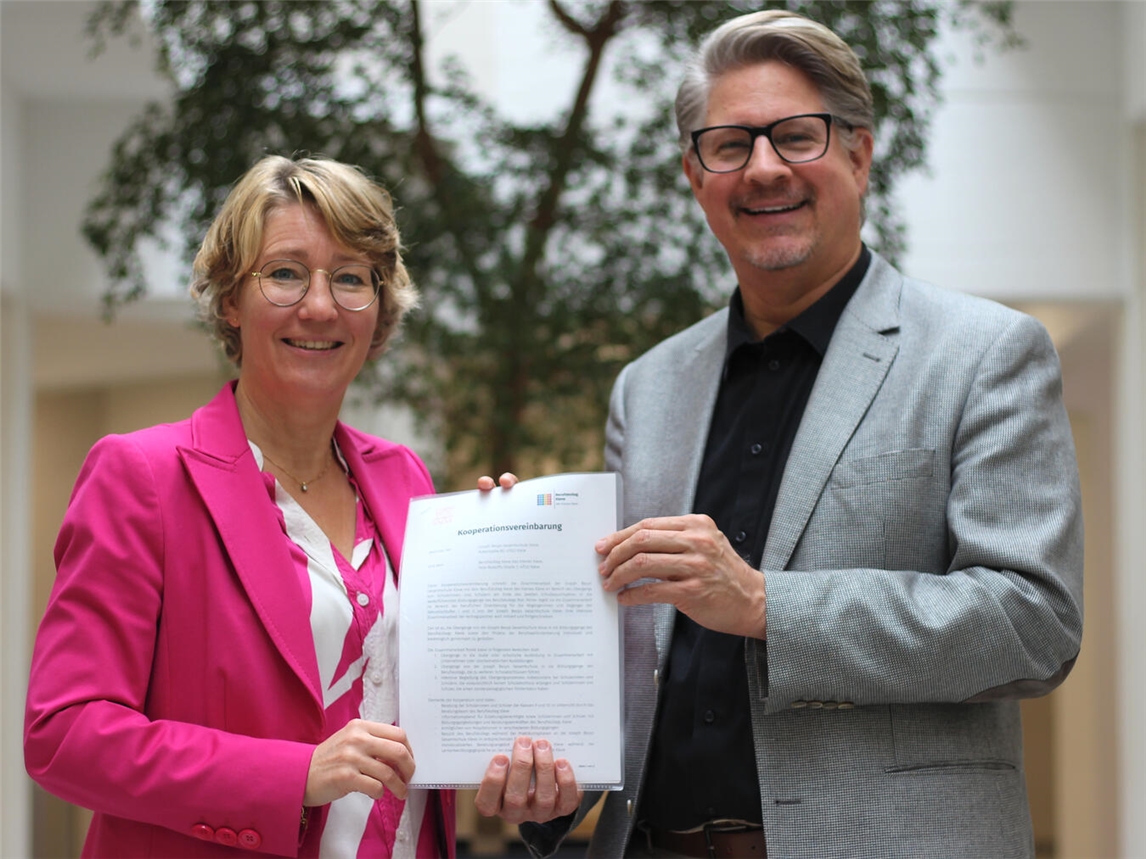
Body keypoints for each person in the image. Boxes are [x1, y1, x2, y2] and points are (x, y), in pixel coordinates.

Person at [475, 9, 1084, 858]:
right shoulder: (647, 387)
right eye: (729, 145)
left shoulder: (985, 353)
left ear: (860, 155)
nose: (763, 168)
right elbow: (631, 657)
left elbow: (1033, 625)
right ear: (696, 177)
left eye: (797, 136)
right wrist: (549, 762)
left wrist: (766, 605)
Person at [24, 155, 456, 858]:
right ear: (231, 299)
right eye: (285, 273)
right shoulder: (141, 476)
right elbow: (64, 733)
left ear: (379, 307)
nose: (320, 306)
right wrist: (291, 775)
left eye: (351, 278)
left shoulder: (403, 477)